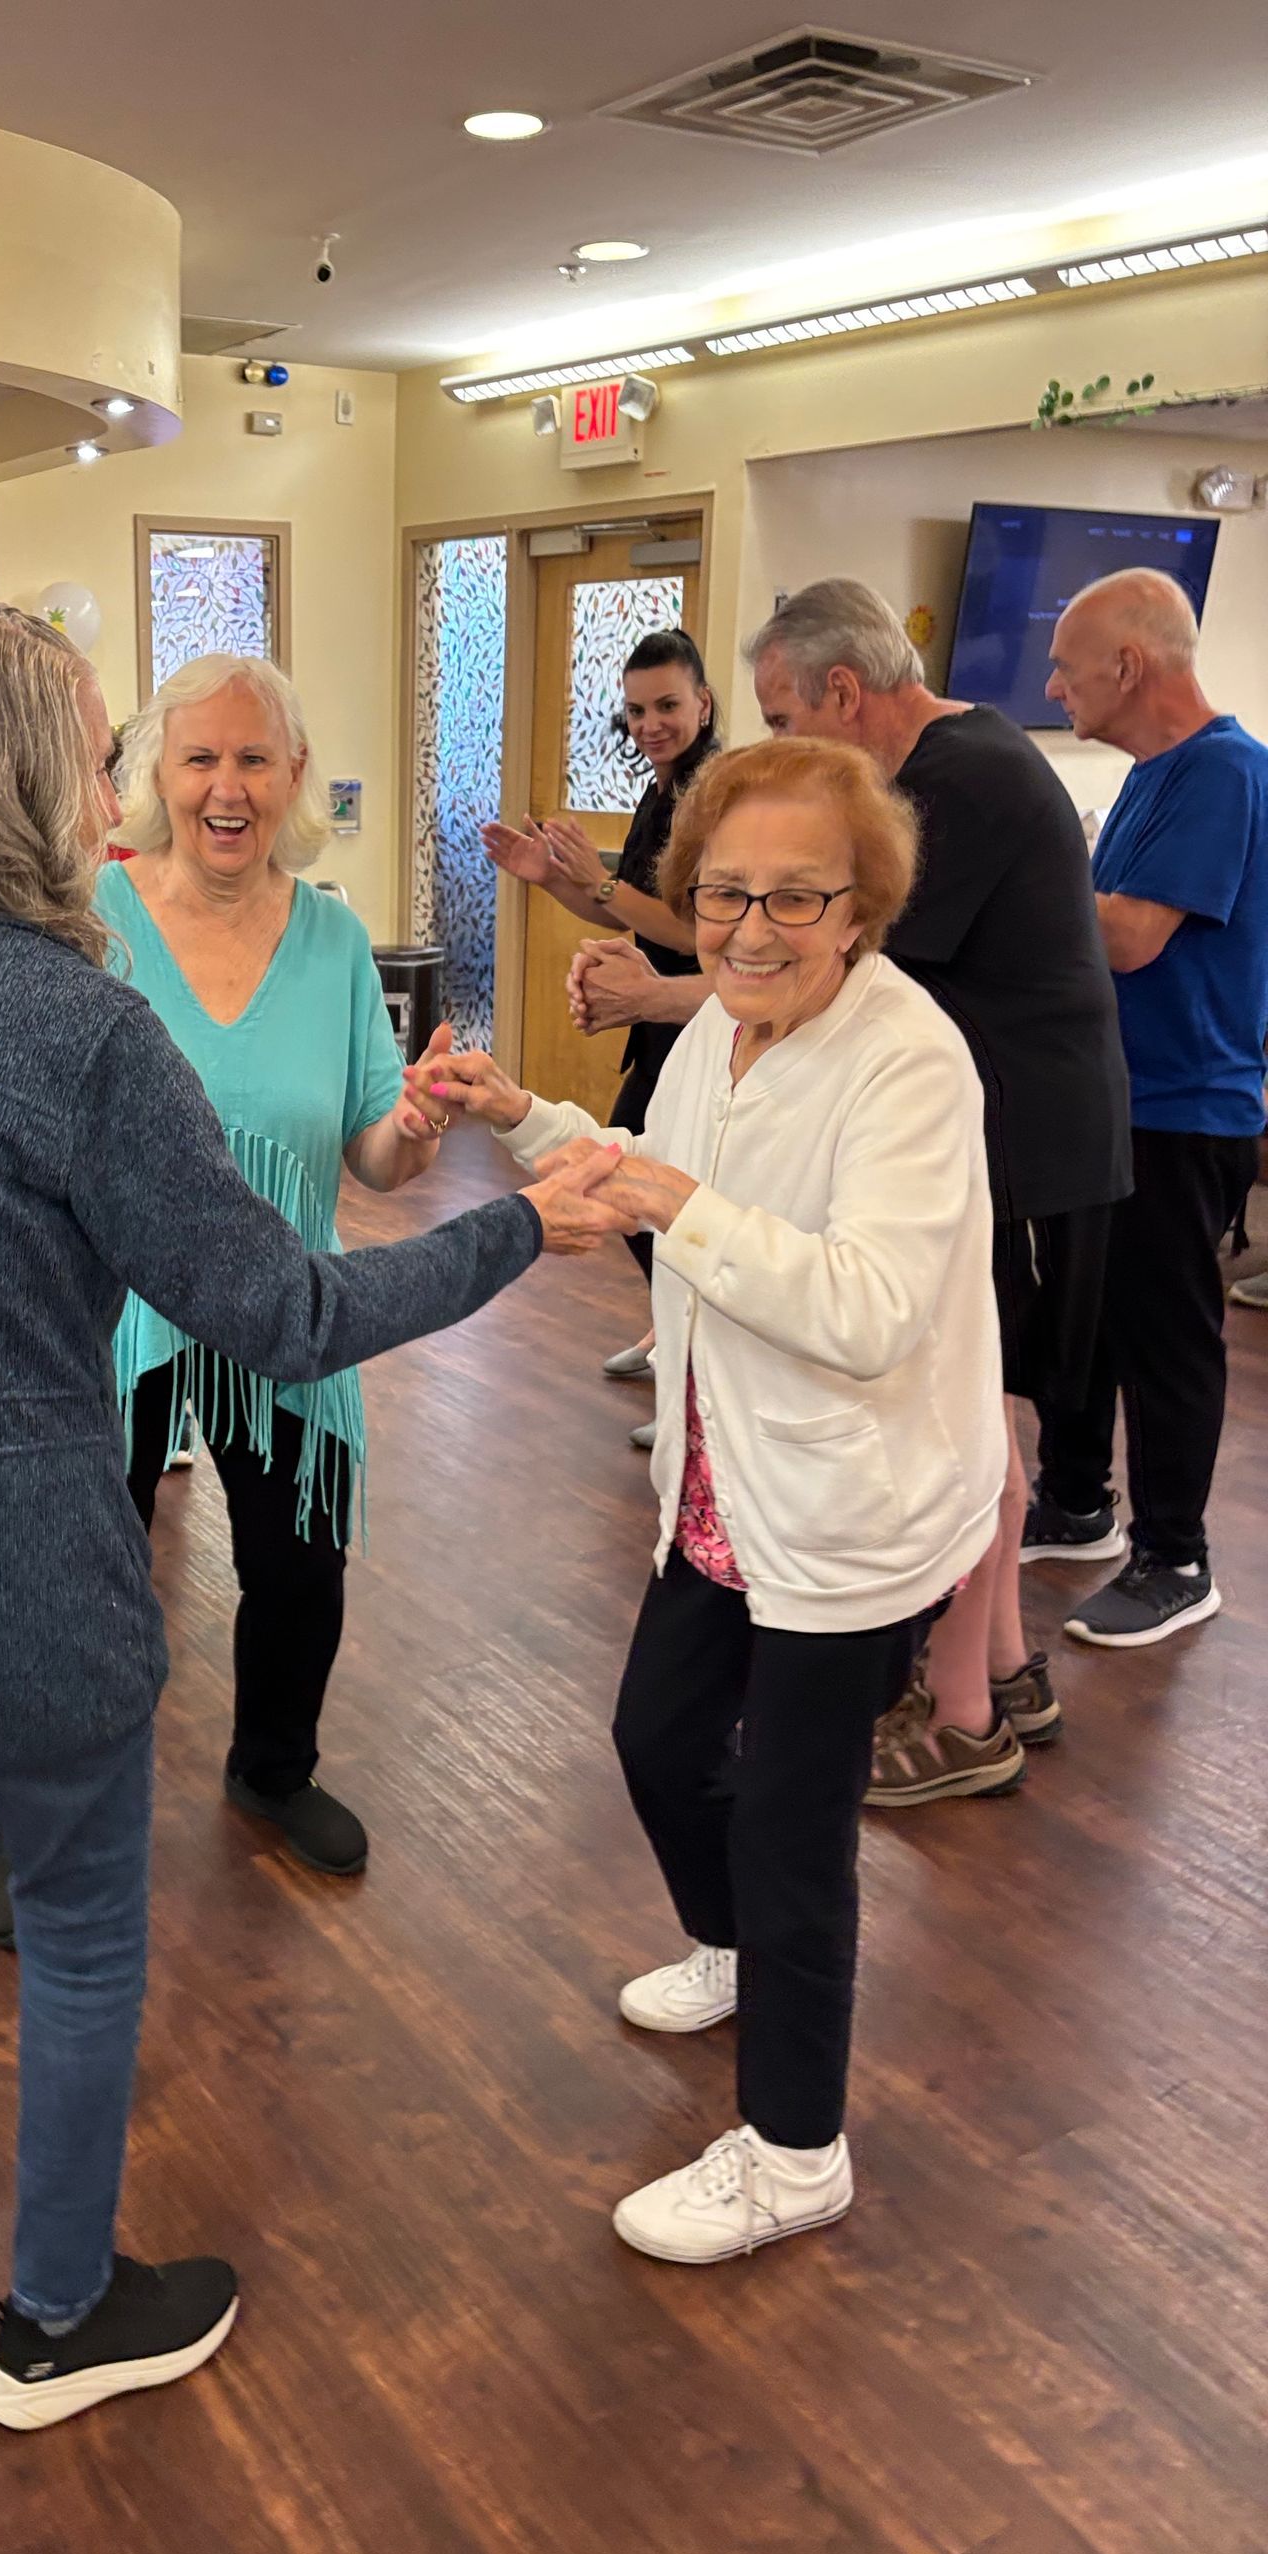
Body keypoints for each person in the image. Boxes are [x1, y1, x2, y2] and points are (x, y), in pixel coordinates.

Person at [0, 595, 622, 2432]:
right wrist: (527, 1227)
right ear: (33, 777)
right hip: (12, 1565)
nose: (127, 786)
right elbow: (289, 1311)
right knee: (92, 1929)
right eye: (107, 751)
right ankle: (51, 2317)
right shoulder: (80, 1032)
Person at [420, 736, 1004, 2261]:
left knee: (797, 1829)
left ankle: (799, 2152)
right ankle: (741, 1946)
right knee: (659, 1739)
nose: (751, 929)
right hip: (723, 1479)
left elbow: (872, 1308)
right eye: (727, 893)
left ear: (862, 905)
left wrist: (685, 1206)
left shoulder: (907, 1059)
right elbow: (641, 1176)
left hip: (851, 1517)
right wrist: (520, 1116)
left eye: (795, 898)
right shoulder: (721, 1037)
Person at [746, 578, 1130, 1802]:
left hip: (1026, 1148)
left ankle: (961, 1712)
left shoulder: (952, 782)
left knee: (972, 1429)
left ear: (843, 693)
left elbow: (849, 966)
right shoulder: (974, 754)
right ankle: (1006, 1665)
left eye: (779, 717)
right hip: (1027, 1137)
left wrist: (671, 995)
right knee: (991, 1421)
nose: (777, 747)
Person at [79, 652, 456, 1882]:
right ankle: (36, 1803)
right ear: (156, 775)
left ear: (294, 775)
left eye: (253, 758)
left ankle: (273, 1766)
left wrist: (419, 1122)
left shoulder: (337, 938)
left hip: (285, 1297)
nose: (226, 787)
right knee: (76, 1563)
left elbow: (371, 1151)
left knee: (300, 1559)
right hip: (117, 1304)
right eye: (200, 758)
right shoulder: (92, 917)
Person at [1038, 567, 1268, 1644]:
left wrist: (1022, 900)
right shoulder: (1148, 772)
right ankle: (1078, 1500)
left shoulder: (1222, 771)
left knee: (1168, 1337)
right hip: (1114, 1097)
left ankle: (1177, 1556)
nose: (1053, 685)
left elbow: (1129, 935)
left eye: (1067, 668)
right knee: (1083, 1319)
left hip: (1186, 1108)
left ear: (1128, 667)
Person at [484, 631, 718, 1388]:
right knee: (638, 1182)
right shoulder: (661, 788)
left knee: (652, 1187)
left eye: (668, 706)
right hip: (661, 1028)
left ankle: (693, 1354)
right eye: (638, 709)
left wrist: (605, 884)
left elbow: (696, 930)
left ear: (704, 704)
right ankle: (675, 1336)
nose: (651, 724)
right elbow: (632, 915)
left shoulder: (715, 796)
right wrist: (550, 878)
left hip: (705, 1020)